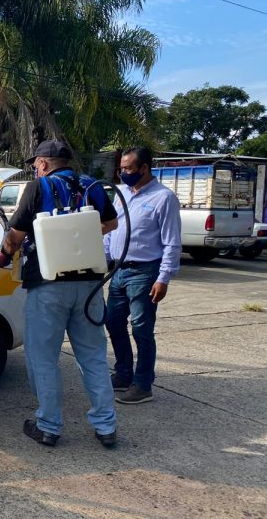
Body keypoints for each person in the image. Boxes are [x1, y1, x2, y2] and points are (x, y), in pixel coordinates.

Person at [0, 139, 119, 448]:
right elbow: (112, 222)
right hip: (89, 285)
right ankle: (106, 426)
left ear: (44, 164)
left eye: (35, 165)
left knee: (43, 357)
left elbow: (15, 234)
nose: (35, 169)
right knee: (93, 357)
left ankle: (48, 426)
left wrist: (3, 254)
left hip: (48, 286)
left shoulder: (39, 188)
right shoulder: (92, 185)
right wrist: (81, 231)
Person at [104, 147, 182, 404]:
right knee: (113, 322)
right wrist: (103, 259)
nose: (123, 173)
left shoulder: (164, 198)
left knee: (141, 329)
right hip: (118, 270)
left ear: (144, 168)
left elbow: (171, 242)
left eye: (128, 169)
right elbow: (112, 230)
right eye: (122, 168)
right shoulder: (122, 193)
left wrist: (164, 277)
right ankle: (124, 373)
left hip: (145, 272)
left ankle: (143, 383)